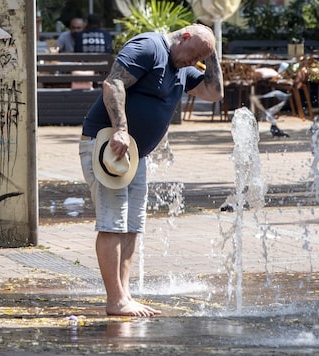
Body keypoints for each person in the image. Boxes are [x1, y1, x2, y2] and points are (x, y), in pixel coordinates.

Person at [79, 23, 223, 317]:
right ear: (183, 37)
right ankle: (115, 300)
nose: (191, 62)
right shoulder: (149, 47)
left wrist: (211, 53)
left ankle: (124, 294)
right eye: (192, 54)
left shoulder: (181, 67)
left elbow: (214, 92)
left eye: (198, 59)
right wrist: (120, 128)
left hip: (136, 154)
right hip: (109, 146)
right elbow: (113, 83)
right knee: (113, 222)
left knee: (133, 225)